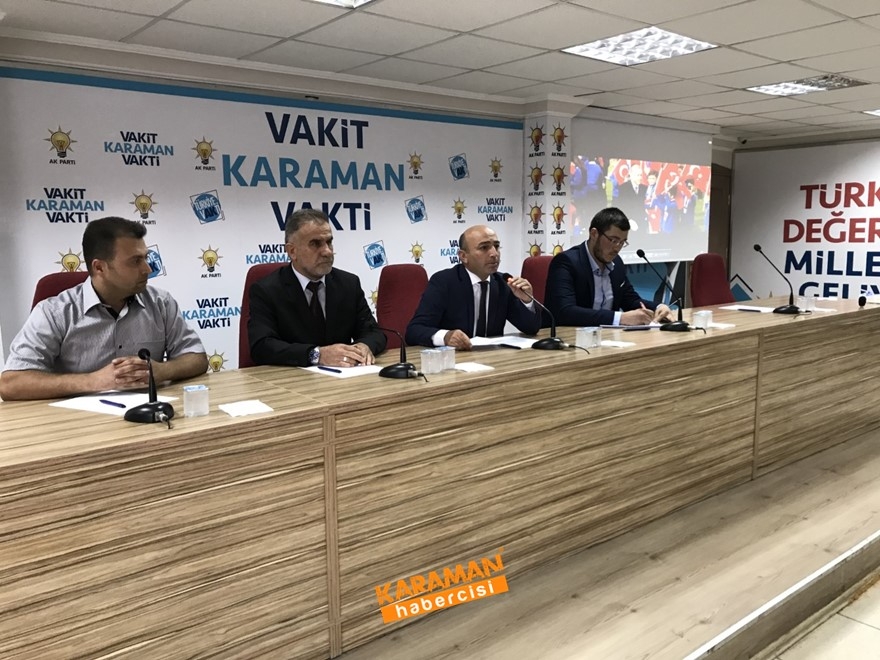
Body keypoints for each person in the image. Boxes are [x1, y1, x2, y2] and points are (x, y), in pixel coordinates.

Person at [0, 216, 208, 401]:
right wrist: (94, 381)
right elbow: (11, 384)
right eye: (136, 261)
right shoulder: (54, 312)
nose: (148, 269)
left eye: (146, 257)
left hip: (149, 418)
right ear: (99, 267)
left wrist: (161, 370)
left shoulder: (161, 302)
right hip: (77, 424)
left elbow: (196, 358)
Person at [248, 208, 386, 367]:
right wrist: (316, 355)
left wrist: (363, 346)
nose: (327, 251)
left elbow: (373, 332)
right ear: (292, 251)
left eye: (329, 242)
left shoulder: (348, 284)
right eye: (315, 244)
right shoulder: (267, 290)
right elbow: (262, 346)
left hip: (345, 375)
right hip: (292, 378)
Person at [406, 224, 541, 349]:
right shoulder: (444, 282)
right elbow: (414, 330)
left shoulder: (502, 283)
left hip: (494, 358)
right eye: (484, 248)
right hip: (454, 359)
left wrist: (527, 301)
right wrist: (445, 337)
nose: (494, 253)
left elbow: (531, 328)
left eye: (496, 246)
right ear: (463, 256)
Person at [544, 207, 676, 327]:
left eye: (622, 242)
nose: (617, 248)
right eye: (613, 240)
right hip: (571, 337)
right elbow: (565, 311)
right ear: (594, 234)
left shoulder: (616, 263)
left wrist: (658, 307)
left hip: (607, 337)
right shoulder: (567, 262)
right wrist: (620, 318)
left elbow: (630, 300)